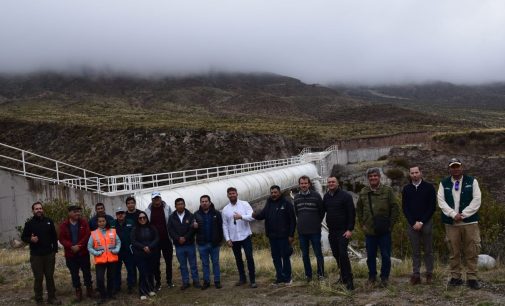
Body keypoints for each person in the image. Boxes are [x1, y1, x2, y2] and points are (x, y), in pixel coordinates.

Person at [438, 158, 482, 290]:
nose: (455, 169)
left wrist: (463, 214)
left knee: (472, 250)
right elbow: (441, 201)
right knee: (453, 251)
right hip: (451, 223)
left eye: (457, 166)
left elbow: (477, 199)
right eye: (453, 167)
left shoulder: (472, 181)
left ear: (462, 168)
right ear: (449, 169)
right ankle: (455, 277)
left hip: (470, 222)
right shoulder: (443, 183)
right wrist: (453, 214)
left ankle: (472, 278)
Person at [356, 168, 400, 287]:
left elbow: (395, 208)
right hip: (369, 230)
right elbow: (359, 209)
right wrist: (362, 224)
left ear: (379, 177)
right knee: (370, 256)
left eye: (375, 176)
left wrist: (390, 225)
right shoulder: (363, 192)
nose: (373, 178)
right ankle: (372, 277)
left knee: (385, 255)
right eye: (371, 176)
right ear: (368, 178)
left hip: (384, 230)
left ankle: (384, 278)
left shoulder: (387, 190)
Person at [253, 185, 296, 285]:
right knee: (275, 257)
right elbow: (262, 215)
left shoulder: (286, 203)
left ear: (279, 192)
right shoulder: (269, 203)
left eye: (275, 192)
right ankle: (279, 277)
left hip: (284, 236)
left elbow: (292, 220)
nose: (273, 194)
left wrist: (291, 235)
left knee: (285, 257)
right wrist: (255, 215)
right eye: (272, 193)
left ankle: (287, 278)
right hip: (272, 236)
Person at [402, 166, 436, 285]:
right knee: (415, 251)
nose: (414, 175)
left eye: (416, 172)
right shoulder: (406, 189)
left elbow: (432, 207)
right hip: (412, 224)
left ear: (421, 173)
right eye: (412, 173)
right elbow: (405, 208)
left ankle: (429, 274)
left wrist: (421, 222)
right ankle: (416, 275)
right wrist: (413, 222)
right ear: (410, 174)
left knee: (428, 250)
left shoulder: (429, 187)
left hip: (426, 223)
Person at [21, 202, 61, 305]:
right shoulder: (29, 224)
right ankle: (39, 300)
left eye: (40, 208)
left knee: (49, 276)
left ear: (42, 210)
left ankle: (52, 298)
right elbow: (23, 237)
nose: (39, 210)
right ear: (33, 211)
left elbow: (54, 236)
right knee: (38, 278)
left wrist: (55, 251)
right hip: (36, 255)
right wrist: (31, 239)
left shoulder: (49, 221)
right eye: (36, 209)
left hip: (49, 254)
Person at [322, 176, 356, 290]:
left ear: (337, 183)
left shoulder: (345, 196)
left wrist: (350, 229)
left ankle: (350, 281)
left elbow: (351, 213)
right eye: (329, 182)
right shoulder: (326, 197)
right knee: (336, 255)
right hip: (332, 231)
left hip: (343, 231)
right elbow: (322, 211)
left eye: (333, 182)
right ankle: (343, 277)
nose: (331, 183)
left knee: (343, 254)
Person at [222, 187, 257, 288]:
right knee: (238, 259)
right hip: (234, 238)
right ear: (227, 195)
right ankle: (242, 278)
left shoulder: (245, 204)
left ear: (237, 194)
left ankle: (252, 279)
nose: (232, 195)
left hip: (245, 236)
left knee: (249, 257)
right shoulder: (225, 209)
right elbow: (224, 225)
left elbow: (252, 217)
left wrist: (241, 217)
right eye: (230, 194)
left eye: (233, 193)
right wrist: (227, 239)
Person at [59, 204, 94, 301]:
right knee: (74, 273)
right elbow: (61, 238)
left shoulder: (84, 222)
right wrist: (71, 246)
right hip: (70, 254)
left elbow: (87, 235)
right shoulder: (64, 225)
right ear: (69, 213)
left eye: (79, 211)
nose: (77, 213)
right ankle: (78, 290)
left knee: (87, 272)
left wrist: (79, 246)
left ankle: (89, 288)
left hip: (83, 253)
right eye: (75, 211)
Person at [293, 175, 325, 282]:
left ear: (309, 184)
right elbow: (297, 213)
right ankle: (308, 275)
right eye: (302, 183)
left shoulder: (316, 196)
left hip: (315, 231)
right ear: (299, 185)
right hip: (302, 231)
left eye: (305, 183)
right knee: (305, 255)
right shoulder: (296, 197)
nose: (303, 185)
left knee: (318, 254)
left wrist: (316, 222)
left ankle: (321, 274)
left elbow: (322, 212)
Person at [168, 198, 200, 290]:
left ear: (184, 205)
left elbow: (193, 229)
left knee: (193, 264)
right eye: (178, 204)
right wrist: (178, 238)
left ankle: (196, 281)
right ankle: (185, 282)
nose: (180, 205)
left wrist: (185, 237)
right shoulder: (172, 217)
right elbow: (170, 230)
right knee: (182, 265)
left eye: (182, 204)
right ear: (175, 206)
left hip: (189, 244)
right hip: (179, 245)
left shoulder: (190, 215)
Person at [88, 215, 121, 304]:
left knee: (111, 278)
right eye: (100, 221)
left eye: (103, 221)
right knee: (100, 279)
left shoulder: (112, 231)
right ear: (97, 223)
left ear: (106, 222)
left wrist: (117, 250)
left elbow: (118, 242)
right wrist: (96, 253)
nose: (102, 223)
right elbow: (89, 247)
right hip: (100, 260)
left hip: (111, 259)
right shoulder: (94, 233)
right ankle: (103, 295)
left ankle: (110, 294)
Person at [145, 191, 174, 290]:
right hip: (154, 241)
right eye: (154, 198)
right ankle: (158, 282)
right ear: (152, 199)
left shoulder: (167, 208)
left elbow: (171, 222)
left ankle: (169, 281)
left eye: (158, 198)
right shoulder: (147, 210)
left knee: (168, 261)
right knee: (155, 262)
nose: (156, 200)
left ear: (160, 198)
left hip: (166, 239)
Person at [194, 195, 224, 289]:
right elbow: (193, 229)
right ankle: (206, 281)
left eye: (206, 201)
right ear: (200, 203)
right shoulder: (196, 214)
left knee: (215, 263)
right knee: (205, 264)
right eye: (202, 201)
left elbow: (220, 227)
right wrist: (193, 226)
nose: (204, 203)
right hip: (202, 244)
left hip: (214, 243)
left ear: (210, 202)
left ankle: (217, 281)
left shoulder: (216, 213)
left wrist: (220, 240)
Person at [131, 211, 159, 300]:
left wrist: (149, 247)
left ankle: (150, 289)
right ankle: (142, 292)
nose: (142, 219)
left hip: (151, 253)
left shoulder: (152, 227)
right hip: (139, 254)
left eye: (144, 218)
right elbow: (133, 241)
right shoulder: (135, 229)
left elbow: (156, 238)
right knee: (143, 273)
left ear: (147, 218)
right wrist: (143, 247)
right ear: (138, 219)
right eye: (140, 218)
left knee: (150, 271)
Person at [113, 206, 136, 294]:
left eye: (122, 213)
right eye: (118, 213)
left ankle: (130, 285)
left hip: (128, 250)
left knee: (130, 269)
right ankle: (117, 286)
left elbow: (134, 234)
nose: (120, 215)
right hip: (117, 251)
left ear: (125, 214)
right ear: (116, 215)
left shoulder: (130, 222)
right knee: (116, 269)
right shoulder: (112, 223)